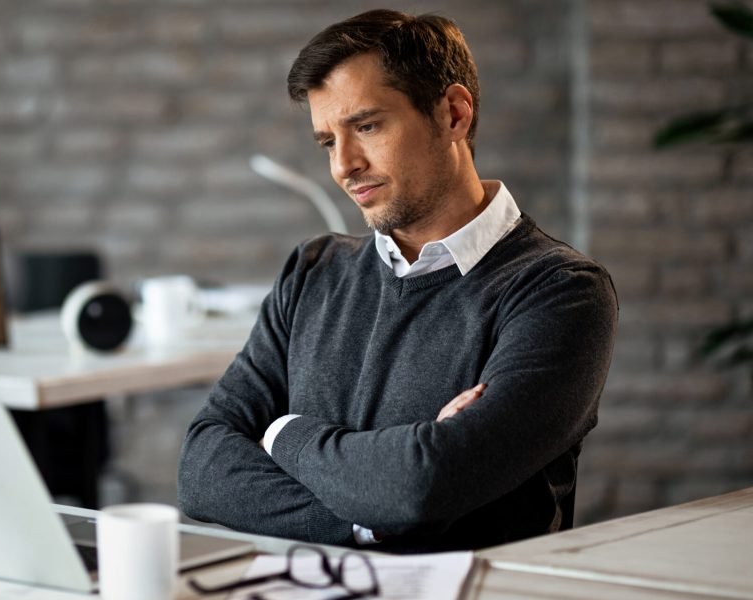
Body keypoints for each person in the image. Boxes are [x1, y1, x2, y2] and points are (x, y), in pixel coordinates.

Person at [177, 9, 618, 553]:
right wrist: (370, 515)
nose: (344, 165)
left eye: (366, 126)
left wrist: (279, 433)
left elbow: (420, 484)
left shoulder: (561, 291)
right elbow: (201, 468)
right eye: (326, 142)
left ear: (454, 114)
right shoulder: (313, 270)